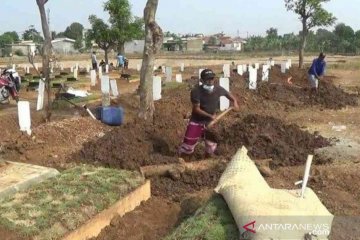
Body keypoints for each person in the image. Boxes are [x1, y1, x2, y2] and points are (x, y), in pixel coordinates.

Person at [179, 69, 239, 158]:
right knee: (188, 145)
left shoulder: (218, 89)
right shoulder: (196, 91)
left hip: (211, 123)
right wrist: (210, 116)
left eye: (212, 79)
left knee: (211, 146)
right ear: (201, 81)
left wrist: (234, 102)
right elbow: (196, 109)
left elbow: (228, 95)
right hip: (197, 121)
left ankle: (206, 162)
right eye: (207, 79)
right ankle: (183, 161)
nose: (210, 81)